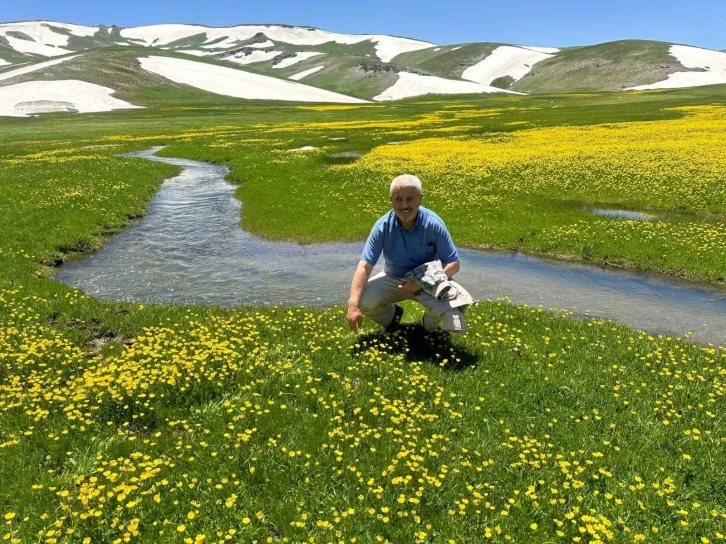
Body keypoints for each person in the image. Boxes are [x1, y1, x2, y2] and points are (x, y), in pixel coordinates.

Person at [347, 174, 474, 333]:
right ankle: (392, 318)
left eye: (410, 198)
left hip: (429, 279)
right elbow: (364, 267)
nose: (404, 205)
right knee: (363, 300)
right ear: (391, 200)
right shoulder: (382, 227)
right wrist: (352, 306)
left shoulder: (433, 224)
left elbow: (453, 263)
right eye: (398, 199)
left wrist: (420, 283)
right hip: (394, 277)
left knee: (452, 307)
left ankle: (427, 328)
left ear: (420, 199)